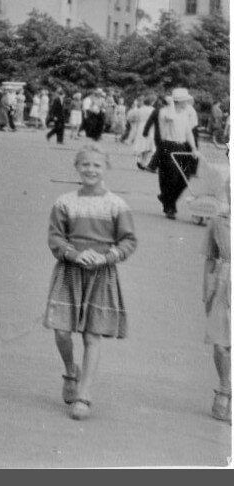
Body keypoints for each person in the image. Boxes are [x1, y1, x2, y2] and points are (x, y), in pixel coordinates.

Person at [43, 143, 138, 421]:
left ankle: (84, 395)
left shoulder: (117, 205)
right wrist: (74, 254)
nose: (90, 170)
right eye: (85, 164)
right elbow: (55, 238)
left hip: (100, 275)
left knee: (91, 335)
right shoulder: (64, 202)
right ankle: (71, 370)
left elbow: (129, 241)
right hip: (70, 272)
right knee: (61, 331)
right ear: (76, 167)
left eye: (96, 165)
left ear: (106, 168)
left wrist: (106, 257)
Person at [202, 181, 231, 423]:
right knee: (221, 345)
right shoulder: (218, 221)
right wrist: (207, 291)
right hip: (223, 284)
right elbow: (210, 258)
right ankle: (224, 386)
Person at [155, 87, 201, 220]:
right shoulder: (165, 112)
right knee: (171, 178)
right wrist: (170, 104)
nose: (187, 102)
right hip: (167, 146)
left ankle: (167, 199)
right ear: (178, 101)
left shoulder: (184, 113)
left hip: (181, 146)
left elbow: (188, 132)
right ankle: (170, 207)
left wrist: (193, 148)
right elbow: (170, 118)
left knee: (184, 178)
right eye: (185, 100)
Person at [126, 95, 155, 170]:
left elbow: (132, 117)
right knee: (148, 145)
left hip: (141, 126)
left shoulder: (140, 109)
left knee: (142, 144)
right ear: (151, 102)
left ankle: (141, 161)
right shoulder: (153, 110)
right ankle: (144, 162)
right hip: (150, 127)